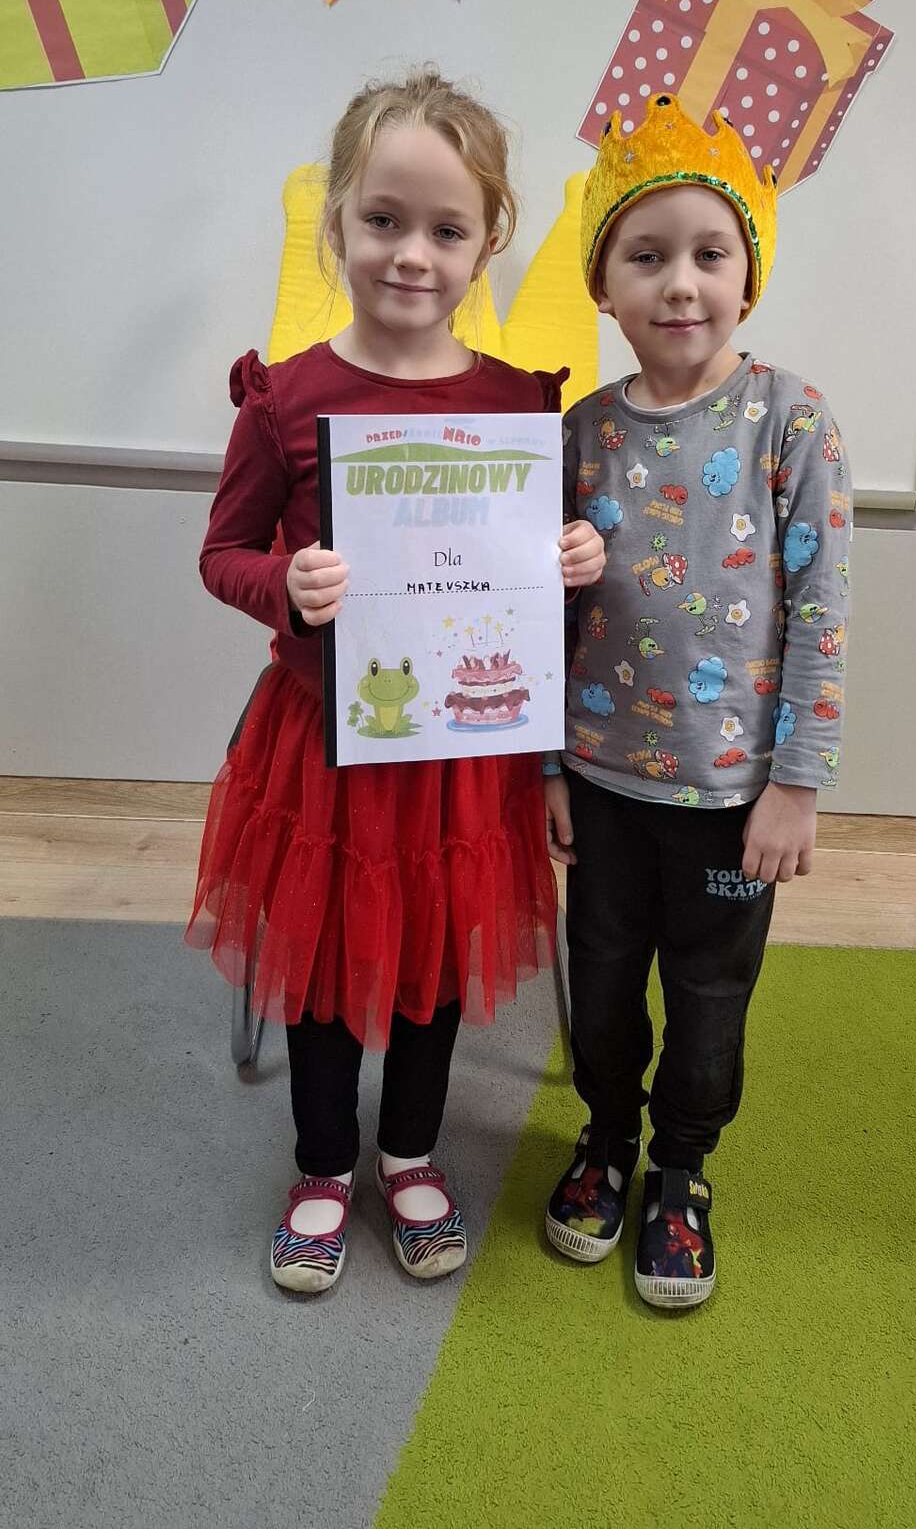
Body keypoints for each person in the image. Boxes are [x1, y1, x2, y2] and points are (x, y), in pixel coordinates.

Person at [186, 69, 604, 1295]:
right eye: (383, 219)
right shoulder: (288, 396)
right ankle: (324, 1166)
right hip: (324, 746)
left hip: (460, 754)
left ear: (487, 243)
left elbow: (527, 582)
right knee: (323, 962)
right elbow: (222, 553)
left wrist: (572, 561)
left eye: (446, 229)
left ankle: (410, 1153)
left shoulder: (515, 407)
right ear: (338, 220)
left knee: (433, 960)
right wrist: (285, 583)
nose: (412, 254)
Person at [543, 91, 851, 1308]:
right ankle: (606, 1138)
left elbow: (823, 610)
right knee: (604, 981)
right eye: (647, 256)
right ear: (603, 284)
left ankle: (681, 1168)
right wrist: (546, 767)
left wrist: (797, 785)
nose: (680, 284)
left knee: (710, 1002)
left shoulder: (793, 420)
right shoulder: (579, 434)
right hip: (602, 780)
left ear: (747, 278)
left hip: (731, 798)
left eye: (710, 255)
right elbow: (538, 618)